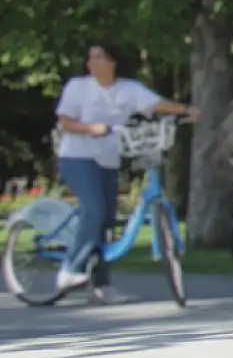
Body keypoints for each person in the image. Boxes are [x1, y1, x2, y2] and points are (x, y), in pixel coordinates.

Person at [53, 42, 199, 302]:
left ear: (113, 61)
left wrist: (186, 110)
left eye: (98, 57)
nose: (91, 63)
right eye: (89, 58)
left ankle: (101, 286)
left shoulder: (128, 89)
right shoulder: (78, 87)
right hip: (77, 157)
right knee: (94, 209)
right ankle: (70, 269)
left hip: (107, 160)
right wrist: (93, 128)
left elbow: (156, 104)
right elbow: (65, 121)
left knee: (106, 220)